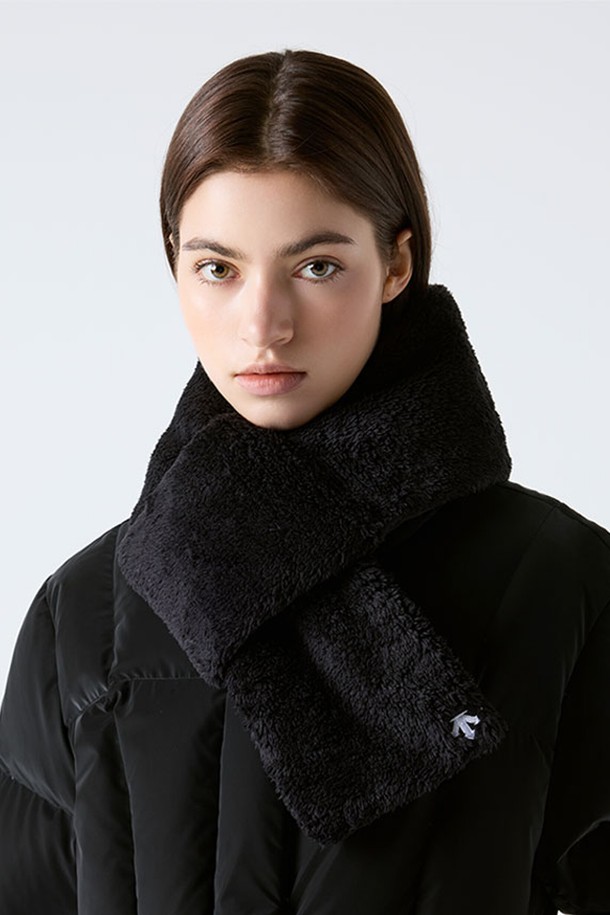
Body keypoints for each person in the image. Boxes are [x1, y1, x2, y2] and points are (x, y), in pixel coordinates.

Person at [0, 48, 608, 915]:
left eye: (316, 265)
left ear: (396, 263)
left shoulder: (561, 584)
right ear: (175, 264)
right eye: (218, 267)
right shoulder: (86, 612)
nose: (264, 324)